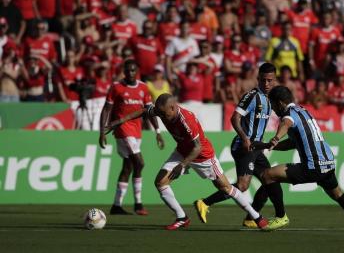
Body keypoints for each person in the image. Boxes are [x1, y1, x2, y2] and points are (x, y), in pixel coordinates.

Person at [114, 93, 270, 230]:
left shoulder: (186, 120)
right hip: (182, 151)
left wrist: (182, 165)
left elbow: (197, 147)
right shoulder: (162, 110)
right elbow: (143, 111)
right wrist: (118, 122)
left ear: (173, 108)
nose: (161, 117)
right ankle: (182, 217)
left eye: (164, 114)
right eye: (159, 113)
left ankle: (257, 217)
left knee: (226, 187)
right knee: (160, 182)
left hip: (203, 156)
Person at [251, 85, 344, 232]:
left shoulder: (289, 114)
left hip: (313, 165)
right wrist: (268, 145)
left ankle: (281, 216)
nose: (273, 110)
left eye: (273, 105)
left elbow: (286, 122)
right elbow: (293, 142)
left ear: (280, 103)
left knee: (268, 175)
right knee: (338, 194)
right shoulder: (303, 111)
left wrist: (276, 137)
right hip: (327, 162)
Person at [195, 62, 289, 230]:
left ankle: (250, 219)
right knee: (243, 185)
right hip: (244, 146)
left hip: (257, 148)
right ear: (258, 79)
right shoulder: (252, 96)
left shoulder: (270, 98)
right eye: (263, 80)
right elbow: (234, 118)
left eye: (270, 80)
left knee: (270, 179)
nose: (266, 84)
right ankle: (204, 203)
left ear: (275, 80)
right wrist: (244, 137)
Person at [99, 59, 164, 216]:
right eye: (127, 71)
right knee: (140, 163)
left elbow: (149, 110)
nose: (130, 73)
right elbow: (106, 109)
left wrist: (157, 131)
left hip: (137, 131)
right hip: (122, 129)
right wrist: (101, 131)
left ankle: (116, 205)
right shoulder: (116, 87)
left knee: (128, 166)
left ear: (137, 71)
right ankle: (138, 204)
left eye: (133, 70)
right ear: (124, 72)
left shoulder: (143, 88)